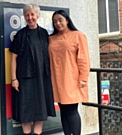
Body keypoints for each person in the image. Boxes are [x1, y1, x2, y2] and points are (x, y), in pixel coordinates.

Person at [9, 3, 56, 135]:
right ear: (24, 17)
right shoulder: (20, 35)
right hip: (25, 78)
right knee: (26, 110)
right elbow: (13, 58)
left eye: (32, 14)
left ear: (38, 15)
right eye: (27, 15)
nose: (30, 17)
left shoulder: (44, 33)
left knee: (40, 110)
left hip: (42, 78)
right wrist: (14, 79)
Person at [48, 10, 91, 135]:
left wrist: (83, 77)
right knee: (63, 110)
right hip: (56, 79)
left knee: (72, 110)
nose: (57, 23)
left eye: (60, 20)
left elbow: (84, 58)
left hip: (72, 79)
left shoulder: (78, 35)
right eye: (55, 21)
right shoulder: (51, 38)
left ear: (67, 20)